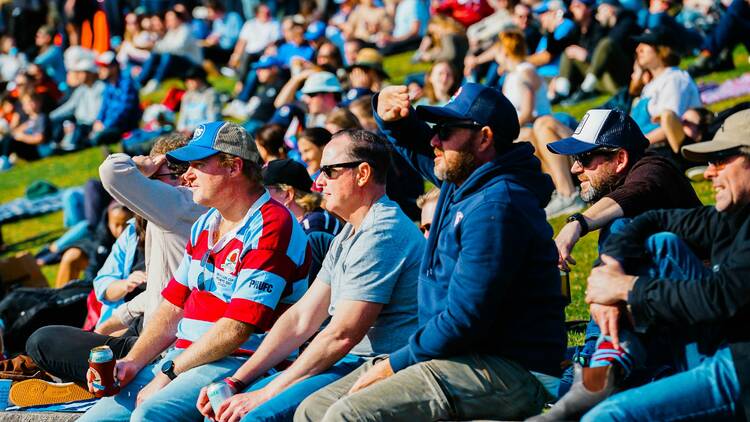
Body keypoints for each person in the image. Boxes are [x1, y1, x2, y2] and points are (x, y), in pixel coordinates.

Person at [295, 83, 567, 421]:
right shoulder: (466, 181)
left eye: (446, 132)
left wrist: (395, 363)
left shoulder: (498, 205)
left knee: (348, 415)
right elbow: (418, 148)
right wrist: (386, 113)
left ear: (483, 139)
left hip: (510, 368)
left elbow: (465, 318)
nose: (434, 141)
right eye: (435, 131)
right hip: (456, 355)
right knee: (313, 409)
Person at [78, 122, 311, 421]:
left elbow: (237, 329)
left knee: (148, 416)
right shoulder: (207, 223)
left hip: (241, 362)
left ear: (233, 167)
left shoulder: (272, 225)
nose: (186, 175)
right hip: (187, 358)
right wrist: (133, 361)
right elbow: (173, 305)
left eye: (199, 165)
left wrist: (168, 374)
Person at [197, 130, 423, 421]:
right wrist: (237, 381)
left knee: (253, 417)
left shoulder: (382, 231)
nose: (318, 182)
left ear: (363, 173)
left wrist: (261, 395)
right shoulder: (352, 231)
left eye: (329, 171)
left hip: (375, 364)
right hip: (349, 360)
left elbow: (342, 335)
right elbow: (302, 317)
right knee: (225, 409)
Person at [545, 108, 750, 420]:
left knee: (602, 414)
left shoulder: (656, 169)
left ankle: (604, 366)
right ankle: (602, 362)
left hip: (715, 344)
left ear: (620, 159)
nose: (574, 169)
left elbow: (639, 191)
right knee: (654, 240)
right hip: (682, 327)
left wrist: (625, 286)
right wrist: (608, 274)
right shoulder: (727, 218)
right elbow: (653, 220)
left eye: (585, 159)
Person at [23, 134, 202, 387]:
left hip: (161, 349)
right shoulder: (144, 224)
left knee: (42, 341)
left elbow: (112, 170)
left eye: (184, 173)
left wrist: (140, 167)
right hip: (154, 331)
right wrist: (118, 316)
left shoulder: (181, 205)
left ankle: (92, 384)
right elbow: (155, 289)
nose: (181, 182)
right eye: (172, 175)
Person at [89, 51, 141, 146]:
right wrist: (99, 121)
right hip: (108, 125)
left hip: (122, 127)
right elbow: (103, 107)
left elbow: (123, 111)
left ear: (114, 68)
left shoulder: (127, 84)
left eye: (104, 67)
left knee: (97, 138)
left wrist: (105, 125)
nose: (100, 70)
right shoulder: (108, 85)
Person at [176, 66, 221, 135]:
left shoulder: (211, 95)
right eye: (187, 80)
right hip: (186, 134)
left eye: (191, 79)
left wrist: (194, 130)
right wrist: (183, 129)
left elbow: (213, 120)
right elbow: (182, 119)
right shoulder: (187, 96)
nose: (187, 83)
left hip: (205, 134)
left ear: (201, 79)